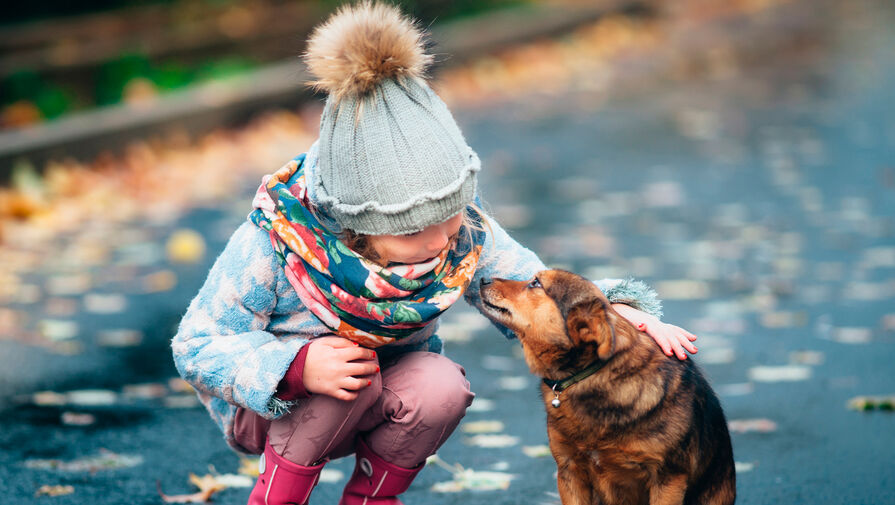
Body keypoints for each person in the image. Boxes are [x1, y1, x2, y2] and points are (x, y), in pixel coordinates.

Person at [171, 2, 698, 504]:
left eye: (453, 216)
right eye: (415, 232)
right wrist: (294, 366)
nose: (442, 240)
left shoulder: (458, 230)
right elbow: (195, 345)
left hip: (378, 398)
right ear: (359, 224)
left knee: (442, 385)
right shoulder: (277, 241)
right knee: (350, 372)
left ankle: (373, 499)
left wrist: (613, 313)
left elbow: (532, 284)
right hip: (271, 405)